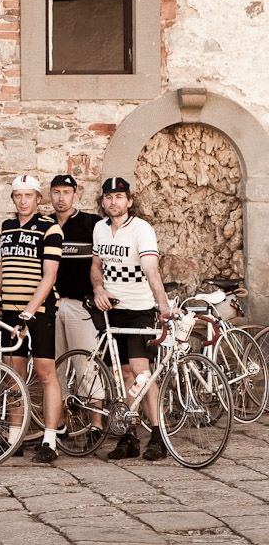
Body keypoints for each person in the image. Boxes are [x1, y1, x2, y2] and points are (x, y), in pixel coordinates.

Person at [91, 176, 173, 462]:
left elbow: (151, 269)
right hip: (113, 310)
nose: (113, 202)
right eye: (108, 197)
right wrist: (99, 288)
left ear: (129, 200)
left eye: (119, 197)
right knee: (123, 374)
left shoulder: (142, 229)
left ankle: (158, 434)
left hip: (139, 309)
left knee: (142, 372)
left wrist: (163, 305)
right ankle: (130, 436)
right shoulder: (100, 229)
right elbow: (96, 265)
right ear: (103, 201)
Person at [0, 175, 63, 464]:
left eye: (28, 196)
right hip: (10, 311)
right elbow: (4, 266)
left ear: (38, 198)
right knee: (14, 375)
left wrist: (30, 310)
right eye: (18, 196)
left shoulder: (50, 228)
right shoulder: (6, 227)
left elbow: (49, 275)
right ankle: (14, 437)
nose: (23, 201)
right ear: (13, 199)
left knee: (46, 373)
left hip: (39, 311)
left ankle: (50, 439)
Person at [49, 175, 103, 361]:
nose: (61, 198)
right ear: (50, 195)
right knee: (55, 370)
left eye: (66, 192)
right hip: (51, 307)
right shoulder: (45, 225)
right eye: (56, 192)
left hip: (80, 306)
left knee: (86, 370)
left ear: (75, 195)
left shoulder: (92, 223)